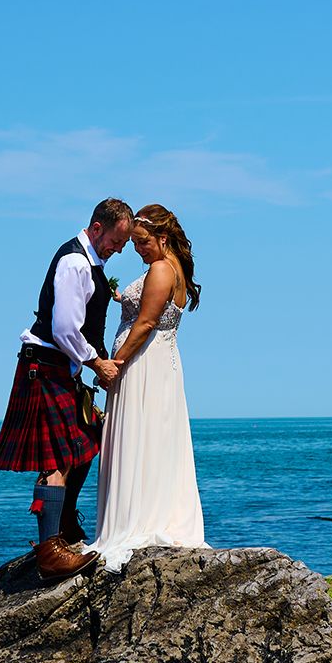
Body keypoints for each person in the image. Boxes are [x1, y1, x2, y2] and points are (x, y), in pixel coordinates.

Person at [0, 197, 132, 584]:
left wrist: (95, 360)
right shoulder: (74, 262)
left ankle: (65, 522)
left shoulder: (91, 263)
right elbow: (65, 328)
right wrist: (97, 362)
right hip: (44, 367)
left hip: (57, 368)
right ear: (97, 227)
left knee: (86, 439)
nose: (119, 249)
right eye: (116, 241)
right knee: (56, 458)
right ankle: (50, 551)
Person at [84, 203, 207, 571]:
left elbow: (146, 323)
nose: (137, 250)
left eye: (142, 242)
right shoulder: (174, 268)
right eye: (134, 243)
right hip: (159, 364)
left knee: (141, 435)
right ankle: (153, 511)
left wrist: (114, 365)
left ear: (162, 238)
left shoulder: (161, 269)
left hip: (142, 364)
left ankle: (136, 521)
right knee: (154, 437)